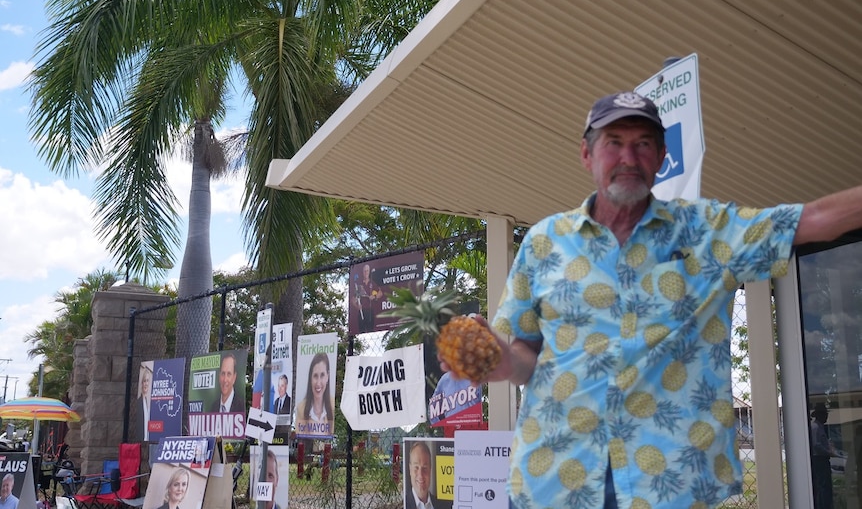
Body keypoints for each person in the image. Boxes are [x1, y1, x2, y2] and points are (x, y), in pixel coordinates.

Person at [446, 91, 862, 509]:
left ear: (661, 156)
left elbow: (814, 221)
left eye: (643, 143)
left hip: (669, 485)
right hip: (555, 478)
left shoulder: (705, 231)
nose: (628, 156)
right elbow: (522, 356)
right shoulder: (543, 243)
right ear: (587, 155)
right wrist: (497, 357)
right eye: (613, 142)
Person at [295, 352, 334, 436]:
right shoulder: (301, 409)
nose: (318, 383)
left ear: (328, 376)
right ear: (310, 378)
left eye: (322, 375)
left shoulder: (333, 406)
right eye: (315, 376)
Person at [810, 403, 834, 509]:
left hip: (822, 459)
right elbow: (816, 445)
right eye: (824, 414)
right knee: (822, 486)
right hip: (819, 459)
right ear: (819, 415)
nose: (826, 417)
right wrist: (828, 452)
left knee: (824, 485)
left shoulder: (820, 427)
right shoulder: (815, 427)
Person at [405, 441, 436, 509]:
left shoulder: (444, 504)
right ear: (410, 469)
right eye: (416, 467)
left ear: (430, 469)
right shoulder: (403, 504)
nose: (420, 475)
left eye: (424, 468)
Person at [352, 263, 382, 332]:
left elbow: (380, 293)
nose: (366, 272)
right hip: (361, 312)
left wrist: (374, 296)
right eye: (364, 271)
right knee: (361, 332)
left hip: (370, 311)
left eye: (367, 271)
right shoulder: (359, 284)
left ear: (369, 271)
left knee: (370, 331)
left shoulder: (372, 283)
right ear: (362, 272)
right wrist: (357, 306)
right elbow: (353, 300)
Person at [137, 364, 153, 441]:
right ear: (142, 383)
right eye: (144, 381)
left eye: (147, 381)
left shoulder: (147, 402)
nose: (146, 383)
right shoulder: (138, 403)